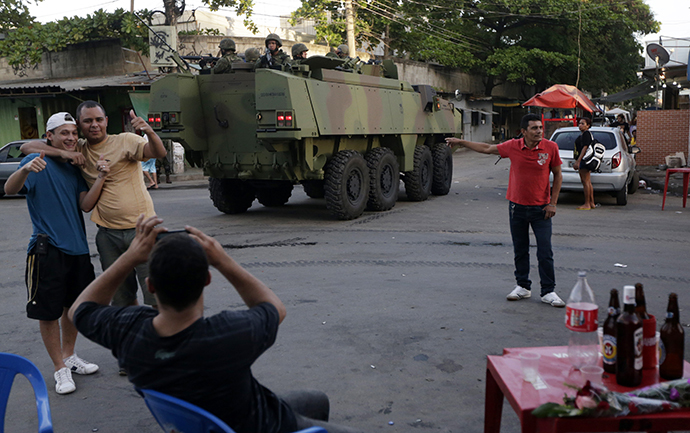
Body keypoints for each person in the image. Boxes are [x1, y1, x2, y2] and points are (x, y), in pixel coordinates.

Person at [69, 215, 365, 433]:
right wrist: (223, 260)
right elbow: (275, 308)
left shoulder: (129, 331)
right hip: (259, 425)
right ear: (207, 280)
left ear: (151, 286)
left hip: (202, 424)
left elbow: (80, 310)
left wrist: (130, 256)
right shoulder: (225, 335)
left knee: (314, 400)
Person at [21, 101, 168, 311]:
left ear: (106, 121)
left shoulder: (126, 140)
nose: (94, 125)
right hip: (108, 236)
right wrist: (65, 153)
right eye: (88, 121)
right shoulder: (79, 147)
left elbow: (158, 152)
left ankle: (164, 341)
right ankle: (132, 339)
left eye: (99, 120)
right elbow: (27, 147)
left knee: (156, 295)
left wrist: (150, 132)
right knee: (121, 298)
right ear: (80, 125)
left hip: (141, 230)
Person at [4, 112, 110, 394]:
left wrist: (100, 178)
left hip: (77, 250)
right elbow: (9, 188)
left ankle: (70, 355)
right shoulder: (35, 162)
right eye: (64, 133)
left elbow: (85, 205)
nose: (71, 138)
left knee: (72, 309)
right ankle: (59, 369)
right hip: (46, 250)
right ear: (49, 136)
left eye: (74, 133)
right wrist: (25, 170)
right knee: (48, 313)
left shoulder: (72, 168)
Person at [446, 113, 565, 307]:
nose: (539, 132)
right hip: (516, 207)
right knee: (520, 249)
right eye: (534, 128)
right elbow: (486, 148)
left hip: (542, 209)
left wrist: (553, 203)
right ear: (523, 131)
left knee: (545, 251)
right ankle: (523, 286)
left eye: (540, 128)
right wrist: (461, 142)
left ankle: (548, 291)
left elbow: (558, 175)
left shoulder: (550, 147)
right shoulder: (513, 146)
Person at [572, 117, 596, 210]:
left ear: (588, 126)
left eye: (583, 123)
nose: (580, 125)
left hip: (584, 160)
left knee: (585, 181)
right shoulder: (585, 134)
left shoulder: (586, 134)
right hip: (585, 159)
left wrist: (578, 160)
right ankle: (591, 202)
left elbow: (585, 147)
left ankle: (587, 204)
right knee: (587, 181)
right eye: (579, 123)